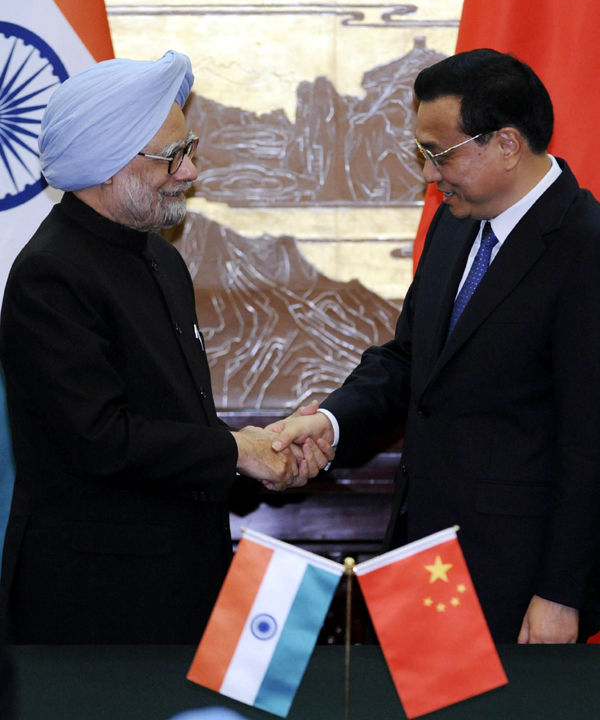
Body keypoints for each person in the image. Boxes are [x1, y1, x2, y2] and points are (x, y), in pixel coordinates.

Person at [270, 49, 600, 644]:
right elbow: (412, 362)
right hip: (422, 553)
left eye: (439, 154)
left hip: (517, 582)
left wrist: (561, 595)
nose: (428, 175)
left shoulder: (585, 247)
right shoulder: (455, 223)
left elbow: (591, 442)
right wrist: (331, 422)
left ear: (505, 143)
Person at [0, 51, 330, 645]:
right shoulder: (50, 275)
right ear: (107, 164)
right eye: (172, 156)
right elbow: (100, 440)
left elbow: (177, 421)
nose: (191, 171)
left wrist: (267, 456)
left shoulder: (161, 260)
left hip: (184, 585)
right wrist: (238, 451)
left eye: (190, 147)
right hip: (95, 603)